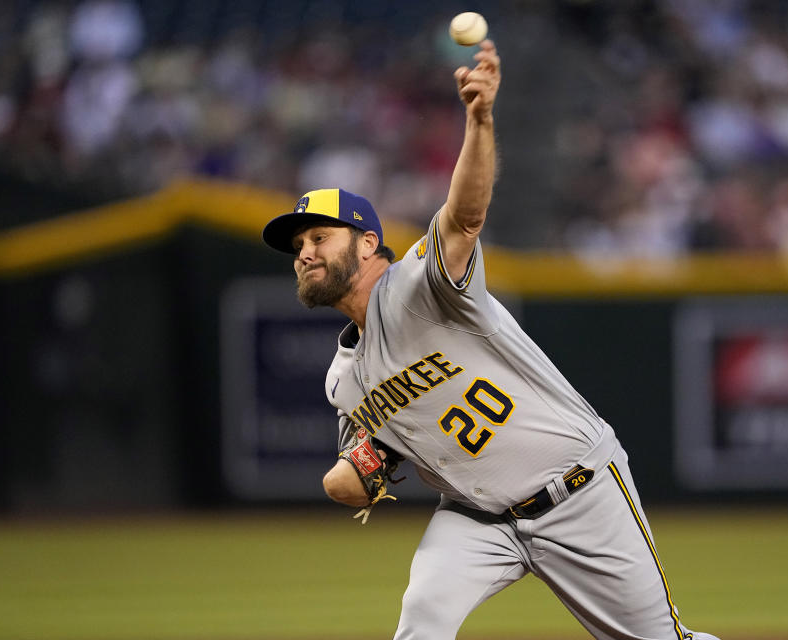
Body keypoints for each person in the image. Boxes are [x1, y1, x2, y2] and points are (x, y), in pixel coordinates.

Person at [261, 40, 719, 640]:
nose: (305, 254)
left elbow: (465, 215)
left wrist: (479, 121)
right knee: (420, 622)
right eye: (298, 248)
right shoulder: (344, 379)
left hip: (577, 490)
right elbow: (357, 475)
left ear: (367, 243)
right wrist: (355, 472)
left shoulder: (421, 286)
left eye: (318, 237)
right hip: (475, 519)